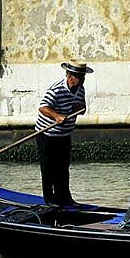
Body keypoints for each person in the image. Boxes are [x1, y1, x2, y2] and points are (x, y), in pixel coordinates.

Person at [34, 60, 92, 206]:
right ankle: (50, 200)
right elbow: (43, 108)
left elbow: (82, 107)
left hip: (64, 135)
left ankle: (64, 198)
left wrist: (79, 109)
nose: (82, 80)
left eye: (83, 76)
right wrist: (57, 116)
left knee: (63, 168)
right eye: (80, 76)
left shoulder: (80, 89)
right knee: (48, 169)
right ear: (70, 76)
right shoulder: (56, 90)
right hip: (47, 134)